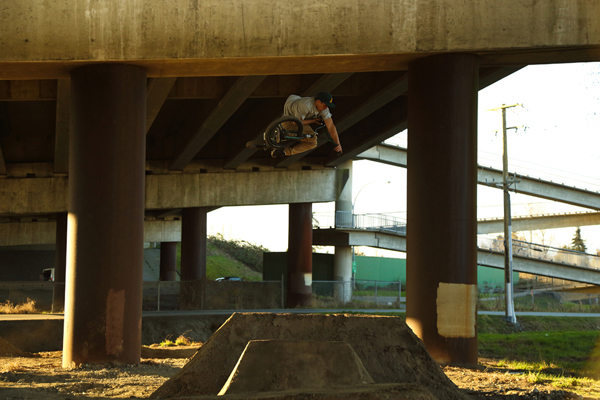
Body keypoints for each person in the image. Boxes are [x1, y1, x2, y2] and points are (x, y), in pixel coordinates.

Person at [271, 92, 342, 158]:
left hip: (295, 107)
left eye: (327, 106)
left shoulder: (324, 109)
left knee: (311, 139)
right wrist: (313, 121)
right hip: (288, 119)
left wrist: (338, 144)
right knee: (312, 142)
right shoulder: (305, 106)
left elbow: (331, 126)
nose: (326, 108)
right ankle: (283, 144)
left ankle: (283, 148)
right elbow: (296, 123)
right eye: (325, 105)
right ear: (318, 101)